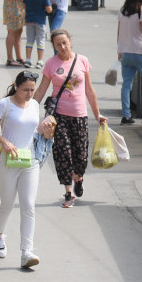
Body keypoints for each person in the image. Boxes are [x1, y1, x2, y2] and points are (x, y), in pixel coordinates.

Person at [0, 70, 47, 269]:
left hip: (30, 160)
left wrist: (46, 130)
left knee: (28, 205)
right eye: (25, 89)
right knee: (7, 204)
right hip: (7, 161)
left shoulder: (35, 105)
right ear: (16, 87)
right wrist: (5, 141)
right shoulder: (5, 105)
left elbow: (33, 131)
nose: (29, 94)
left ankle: (27, 251)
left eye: (32, 90)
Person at [36, 29, 107, 208]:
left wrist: (97, 114)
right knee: (63, 153)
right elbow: (41, 90)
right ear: (54, 46)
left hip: (80, 115)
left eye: (64, 42)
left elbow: (89, 91)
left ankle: (78, 177)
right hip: (58, 116)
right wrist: (26, 109)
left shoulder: (82, 61)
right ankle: (68, 191)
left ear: (70, 41)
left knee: (81, 155)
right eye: (58, 44)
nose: (62, 47)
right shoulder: (51, 64)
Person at [117, 0, 142, 124]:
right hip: (140, 51)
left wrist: (119, 51)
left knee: (126, 84)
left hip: (125, 52)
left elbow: (119, 32)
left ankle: (126, 116)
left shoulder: (122, 10)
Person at [3, 0, 34, 66]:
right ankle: (10, 58)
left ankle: (19, 57)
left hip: (20, 6)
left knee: (19, 32)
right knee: (12, 31)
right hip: (12, 6)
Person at [23, 0, 52, 68]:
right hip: (40, 20)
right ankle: (39, 61)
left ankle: (28, 60)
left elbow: (24, 6)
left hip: (29, 19)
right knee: (40, 40)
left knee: (30, 40)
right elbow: (49, 10)